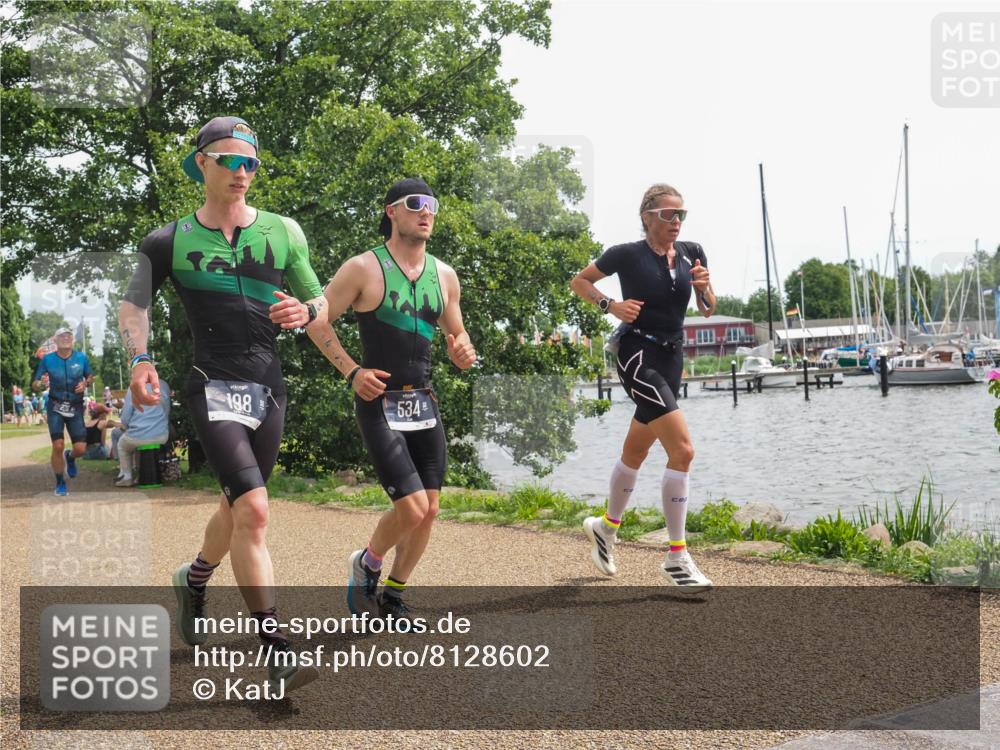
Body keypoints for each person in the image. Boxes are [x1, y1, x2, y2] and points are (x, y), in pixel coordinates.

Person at [119, 116, 327, 692]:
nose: (242, 172)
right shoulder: (168, 240)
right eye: (230, 161)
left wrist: (306, 313)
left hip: (268, 387)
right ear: (202, 164)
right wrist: (140, 360)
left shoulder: (283, 231)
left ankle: (195, 577)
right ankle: (276, 645)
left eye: (251, 163)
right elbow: (132, 305)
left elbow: (320, 301)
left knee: (238, 505)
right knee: (255, 510)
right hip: (211, 384)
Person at [306, 177, 477, 620]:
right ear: (391, 212)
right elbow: (317, 322)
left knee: (431, 509)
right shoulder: (363, 268)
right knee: (412, 506)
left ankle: (394, 595)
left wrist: (463, 351)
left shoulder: (445, 275)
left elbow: (458, 336)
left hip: (424, 403)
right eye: (416, 204)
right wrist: (352, 371)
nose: (427, 212)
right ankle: (368, 562)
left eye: (432, 205)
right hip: (378, 402)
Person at [570, 183, 715, 592]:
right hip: (637, 355)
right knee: (683, 450)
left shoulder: (692, 251)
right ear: (648, 216)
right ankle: (676, 556)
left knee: (636, 450)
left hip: (672, 357)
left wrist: (703, 286)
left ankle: (605, 527)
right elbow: (579, 282)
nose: (677, 222)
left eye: (682, 215)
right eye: (669, 215)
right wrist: (610, 305)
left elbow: (708, 307)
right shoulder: (626, 255)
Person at [32, 327, 94, 496]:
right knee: (57, 445)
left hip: (75, 406)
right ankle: (60, 482)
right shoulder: (48, 360)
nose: (66, 338)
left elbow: (90, 376)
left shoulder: (81, 358)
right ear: (55, 340)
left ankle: (71, 457)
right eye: (62, 336)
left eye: (69, 335)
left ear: (73, 340)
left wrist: (85, 384)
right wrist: (40, 384)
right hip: (55, 406)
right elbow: (35, 383)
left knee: (81, 448)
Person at [115, 380, 170, 486]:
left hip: (138, 436)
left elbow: (125, 418)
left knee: (122, 446)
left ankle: (127, 477)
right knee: (139, 444)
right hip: (161, 435)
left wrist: (127, 426)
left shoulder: (134, 387)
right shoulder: (164, 385)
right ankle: (140, 475)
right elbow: (167, 411)